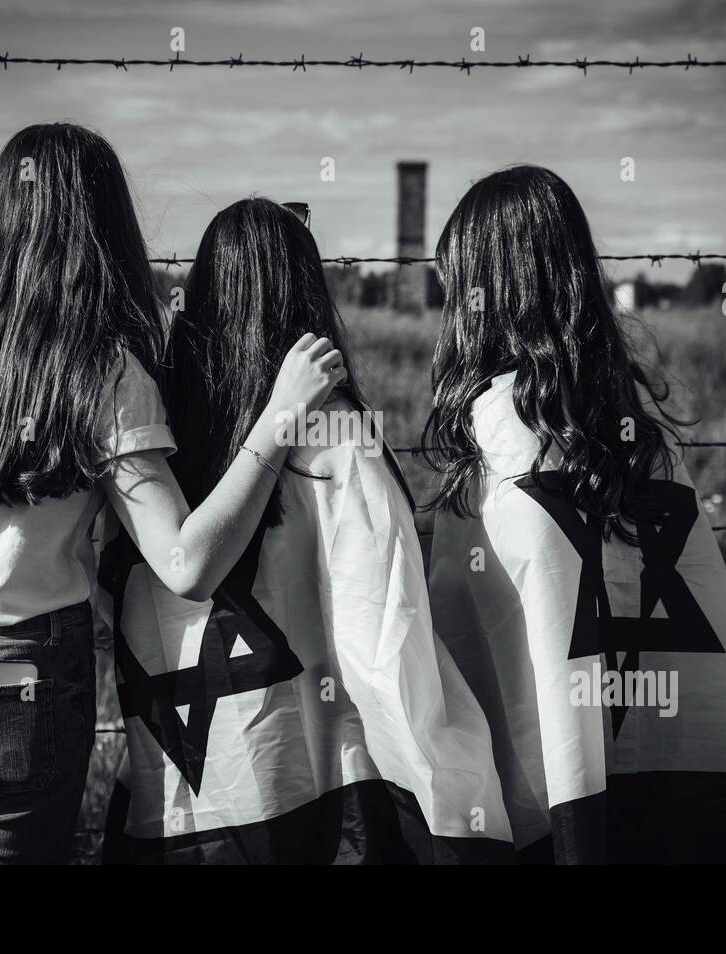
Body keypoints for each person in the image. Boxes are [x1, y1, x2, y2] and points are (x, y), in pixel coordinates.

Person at [0, 125, 344, 864]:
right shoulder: (100, 373)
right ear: (103, 233)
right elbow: (186, 564)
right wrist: (275, 425)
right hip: (9, 680)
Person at [97, 197, 512, 863]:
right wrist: (443, 780)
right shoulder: (334, 431)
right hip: (309, 786)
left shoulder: (152, 423)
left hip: (177, 787)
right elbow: (383, 625)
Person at [423, 165, 726, 863]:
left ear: (490, 288)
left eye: (457, 287)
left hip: (563, 802)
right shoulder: (635, 432)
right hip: (686, 803)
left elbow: (471, 627)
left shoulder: (494, 426)